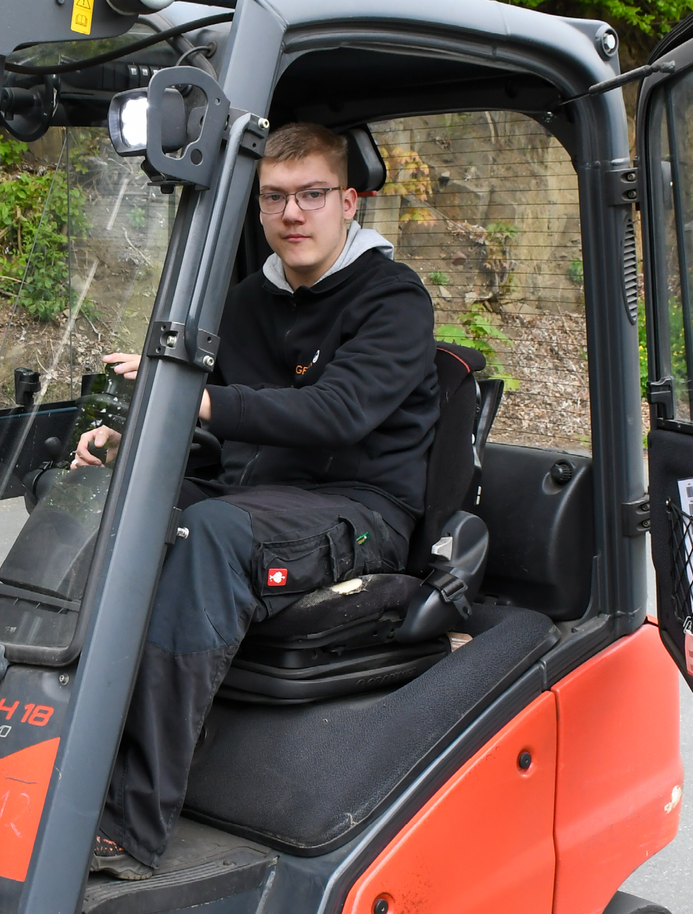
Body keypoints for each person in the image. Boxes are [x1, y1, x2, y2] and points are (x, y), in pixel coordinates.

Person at [73, 122, 440, 880]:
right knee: (102, 497)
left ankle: (131, 825)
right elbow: (218, 421)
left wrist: (193, 400)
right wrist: (126, 438)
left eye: (312, 195)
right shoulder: (249, 300)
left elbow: (337, 413)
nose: (292, 213)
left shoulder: (393, 298)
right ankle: (40, 749)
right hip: (260, 498)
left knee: (208, 533)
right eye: (274, 198)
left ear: (349, 202)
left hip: (361, 514)